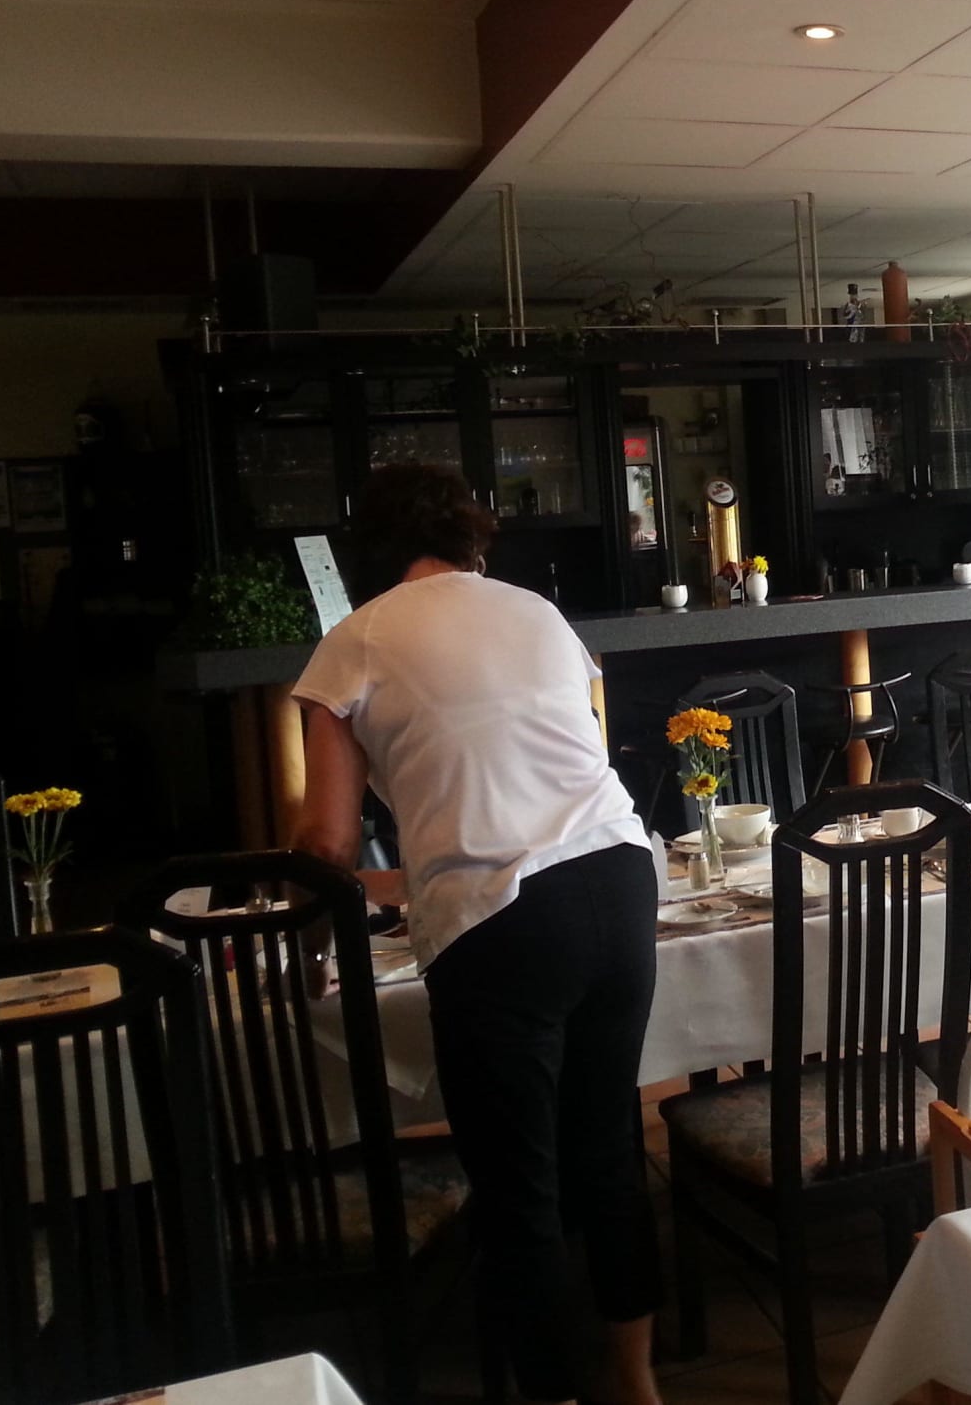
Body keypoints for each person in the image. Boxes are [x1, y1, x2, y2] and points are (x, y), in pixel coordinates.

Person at [291, 464, 662, 1405]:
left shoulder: (353, 640)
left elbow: (325, 842)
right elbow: (560, 764)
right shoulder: (537, 613)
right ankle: (637, 1383)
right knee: (607, 1152)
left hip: (503, 920)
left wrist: (309, 936)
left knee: (518, 1184)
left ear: (370, 550)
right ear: (468, 538)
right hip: (621, 878)